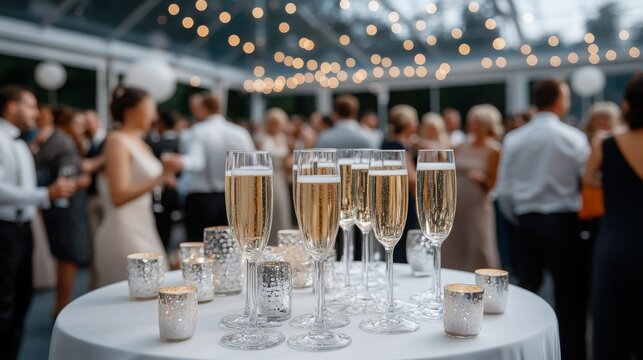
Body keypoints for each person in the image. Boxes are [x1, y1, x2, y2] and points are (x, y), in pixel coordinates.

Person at [495, 78, 590, 360]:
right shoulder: (573, 137)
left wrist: (519, 218)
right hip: (565, 224)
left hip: (527, 224)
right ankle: (573, 354)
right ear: (559, 101)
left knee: (526, 297)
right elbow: (585, 183)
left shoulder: (514, 138)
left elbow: (504, 191)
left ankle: (526, 352)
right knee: (570, 299)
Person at [0, 85, 76, 359]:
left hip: (23, 228)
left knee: (21, 299)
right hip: (5, 230)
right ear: (11, 107)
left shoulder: (22, 141)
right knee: (5, 303)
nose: (36, 112)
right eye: (30, 105)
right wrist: (45, 194)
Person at [585, 73, 643, 360]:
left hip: (616, 244)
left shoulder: (606, 142)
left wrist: (616, 184)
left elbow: (590, 179)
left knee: (611, 327)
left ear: (626, 103)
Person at [94, 87, 174, 287]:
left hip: (144, 223)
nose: (154, 116)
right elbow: (118, 196)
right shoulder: (117, 142)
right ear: (130, 111)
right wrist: (160, 178)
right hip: (123, 229)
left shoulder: (140, 143)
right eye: (149, 109)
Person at [162, 92, 255, 242]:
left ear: (202, 108)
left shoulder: (198, 131)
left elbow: (196, 161)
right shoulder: (240, 133)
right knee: (230, 247)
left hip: (201, 200)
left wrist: (179, 162)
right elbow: (252, 164)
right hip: (233, 198)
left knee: (200, 247)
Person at [35, 107, 92, 316]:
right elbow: (65, 179)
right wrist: (79, 181)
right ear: (66, 124)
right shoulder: (63, 142)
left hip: (60, 208)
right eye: (78, 124)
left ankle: (60, 305)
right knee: (68, 255)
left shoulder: (54, 141)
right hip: (65, 209)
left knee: (65, 255)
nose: (82, 128)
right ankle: (61, 307)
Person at [443, 104, 501, 272]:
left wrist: (482, 179)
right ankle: (451, 275)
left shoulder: (494, 150)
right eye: (473, 122)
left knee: (478, 243)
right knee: (454, 242)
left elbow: (493, 183)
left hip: (477, 206)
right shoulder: (460, 146)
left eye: (479, 123)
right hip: (455, 203)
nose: (475, 126)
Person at [382, 105, 419, 263]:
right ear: (409, 123)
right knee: (403, 238)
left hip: (390, 199)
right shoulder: (399, 146)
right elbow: (411, 178)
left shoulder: (387, 142)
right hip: (404, 200)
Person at [256, 108, 293, 245]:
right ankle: (270, 243)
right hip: (267, 177)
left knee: (281, 210)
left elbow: (287, 157)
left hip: (280, 177)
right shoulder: (261, 138)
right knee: (270, 210)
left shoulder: (282, 138)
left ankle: (282, 242)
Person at [146, 110, 181, 251]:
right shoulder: (179, 140)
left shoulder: (157, 143)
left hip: (163, 189)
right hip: (169, 189)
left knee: (162, 225)